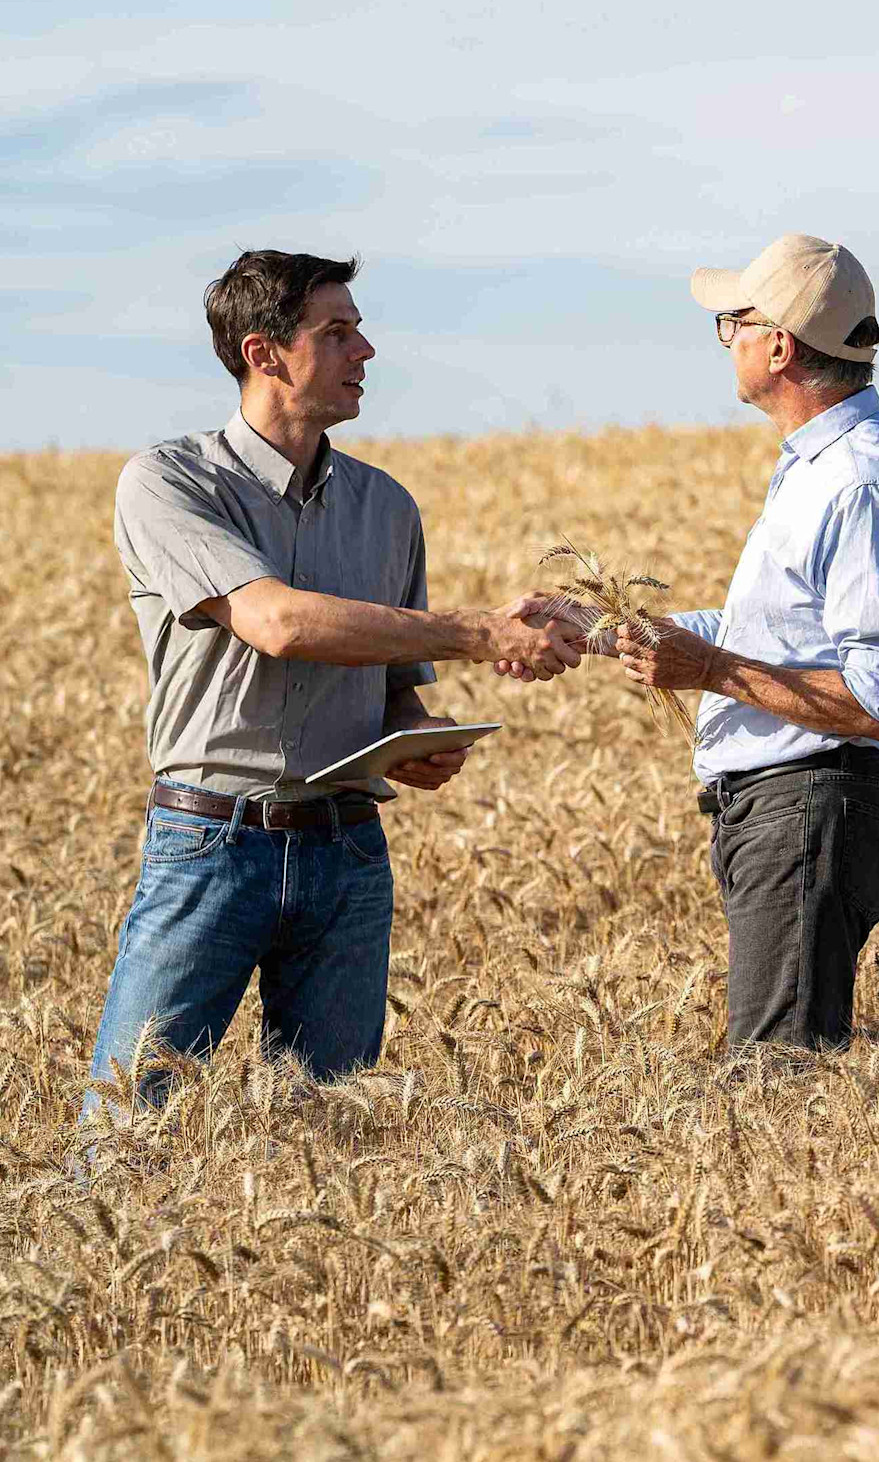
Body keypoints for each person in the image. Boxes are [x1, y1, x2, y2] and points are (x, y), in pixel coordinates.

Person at [88, 249, 584, 1116]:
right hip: (212, 843)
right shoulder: (168, 482)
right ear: (264, 353)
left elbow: (398, 685)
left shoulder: (387, 508)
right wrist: (480, 632)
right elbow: (278, 623)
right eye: (339, 332)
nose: (367, 352)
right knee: (130, 1130)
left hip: (350, 849)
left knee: (330, 1141)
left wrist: (417, 740)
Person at [510, 234, 879, 1051]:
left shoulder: (858, 481)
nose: (728, 339)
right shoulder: (824, 469)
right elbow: (771, 640)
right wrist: (602, 628)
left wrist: (707, 669)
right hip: (789, 811)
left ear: (779, 345)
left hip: (808, 807)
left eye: (734, 322)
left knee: (776, 1089)